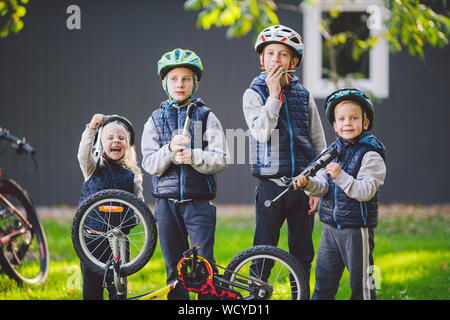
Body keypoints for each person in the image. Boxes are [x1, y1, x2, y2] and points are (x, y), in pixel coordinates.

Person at [141, 48, 229, 300]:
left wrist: (193, 157)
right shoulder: (155, 120)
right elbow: (149, 163)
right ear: (164, 84)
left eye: (186, 79)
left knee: (204, 266)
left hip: (198, 203)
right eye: (174, 79)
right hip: (166, 205)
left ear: (196, 83)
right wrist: (169, 150)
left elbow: (221, 159)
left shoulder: (206, 117)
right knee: (174, 269)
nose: (180, 84)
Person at [242, 24, 327, 285]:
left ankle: (298, 293)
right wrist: (275, 95)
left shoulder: (304, 95)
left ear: (294, 60)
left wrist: (318, 188)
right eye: (270, 53)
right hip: (272, 187)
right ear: (261, 58)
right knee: (264, 250)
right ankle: (256, 296)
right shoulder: (253, 93)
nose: (275, 60)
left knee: (302, 252)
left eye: (282, 54)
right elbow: (260, 133)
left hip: (302, 186)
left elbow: (318, 143)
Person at [294, 88, 386, 300]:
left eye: (354, 118)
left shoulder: (371, 154)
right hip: (330, 228)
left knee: (362, 286)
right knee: (323, 284)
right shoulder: (333, 151)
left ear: (365, 123)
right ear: (335, 126)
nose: (347, 123)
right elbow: (323, 186)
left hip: (356, 229)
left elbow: (366, 191)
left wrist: (341, 175)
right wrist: (308, 184)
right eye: (342, 119)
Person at [76, 113, 143, 300]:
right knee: (91, 287)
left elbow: (140, 204)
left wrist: (138, 220)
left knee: (118, 287)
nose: (116, 141)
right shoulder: (92, 167)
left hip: (119, 239)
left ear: (128, 145)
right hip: (91, 238)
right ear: (101, 143)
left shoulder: (132, 175)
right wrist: (91, 129)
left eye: (121, 138)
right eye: (110, 138)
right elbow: (83, 152)